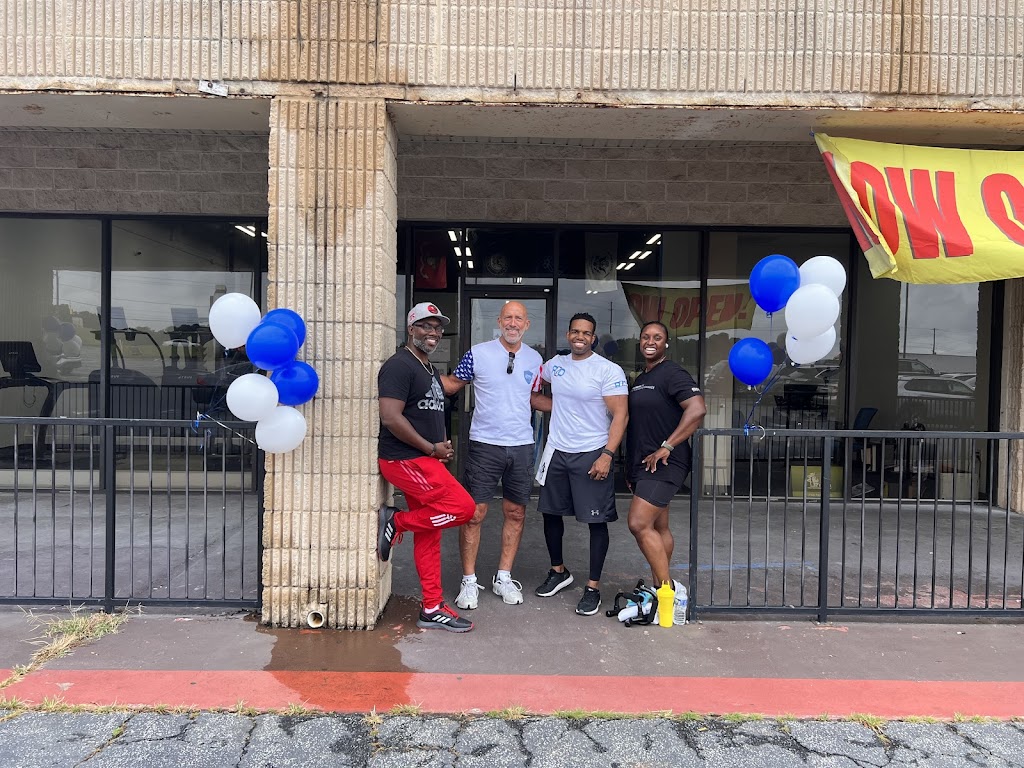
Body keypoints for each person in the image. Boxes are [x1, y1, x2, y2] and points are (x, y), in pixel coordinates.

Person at [377, 302, 476, 633]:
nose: (433, 332)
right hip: (405, 460)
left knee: (430, 532)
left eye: (437, 327)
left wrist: (440, 445)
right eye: (425, 326)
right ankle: (398, 521)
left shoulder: (429, 368)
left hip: (425, 459)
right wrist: (429, 448)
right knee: (463, 508)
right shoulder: (399, 365)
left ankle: (432, 607)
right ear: (411, 329)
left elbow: (429, 412)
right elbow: (391, 417)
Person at [442, 301, 544, 609]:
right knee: (474, 513)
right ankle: (468, 581)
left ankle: (503, 577)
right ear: (499, 322)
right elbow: (451, 385)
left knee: (516, 512)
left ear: (527, 324)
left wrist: (578, 406)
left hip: (522, 445)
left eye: (518, 318)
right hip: (485, 445)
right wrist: (418, 374)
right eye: (507, 318)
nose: (513, 323)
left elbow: (534, 398)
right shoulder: (478, 353)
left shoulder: (535, 358)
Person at [530, 312, 628, 616]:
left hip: (592, 452)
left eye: (586, 333)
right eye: (575, 331)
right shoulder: (554, 365)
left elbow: (621, 415)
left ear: (593, 338)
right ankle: (558, 571)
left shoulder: (607, 369)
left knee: (596, 522)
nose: (580, 337)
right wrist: (558, 407)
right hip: (557, 450)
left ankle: (593, 588)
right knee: (550, 514)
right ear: (568, 334)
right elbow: (532, 392)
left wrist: (607, 454)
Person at [625, 320, 707, 589]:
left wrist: (667, 446)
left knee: (638, 523)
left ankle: (666, 591)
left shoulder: (672, 372)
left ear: (666, 343)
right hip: (644, 464)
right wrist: (630, 469)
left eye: (657, 337)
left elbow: (697, 409)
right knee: (659, 527)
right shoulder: (642, 378)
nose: (650, 342)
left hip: (667, 462)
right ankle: (658, 587)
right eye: (645, 337)